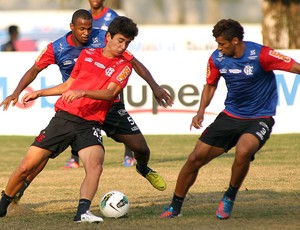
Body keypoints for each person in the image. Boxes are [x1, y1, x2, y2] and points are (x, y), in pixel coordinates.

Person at [0, 9, 171, 204]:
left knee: (140, 148)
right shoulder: (56, 48)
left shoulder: (106, 38)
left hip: (109, 105)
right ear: (72, 27)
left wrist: (155, 87)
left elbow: (134, 63)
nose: (86, 33)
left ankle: (143, 168)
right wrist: (16, 92)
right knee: (43, 155)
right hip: (78, 107)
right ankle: (20, 189)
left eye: (89, 29)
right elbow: (35, 70)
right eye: (82, 29)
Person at [160, 18, 300, 220]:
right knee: (194, 159)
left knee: (243, 151)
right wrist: (200, 111)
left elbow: (295, 67)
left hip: (260, 118)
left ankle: (229, 196)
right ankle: (175, 207)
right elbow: (210, 85)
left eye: (222, 44)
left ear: (235, 41)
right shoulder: (217, 58)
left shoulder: (261, 54)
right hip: (230, 116)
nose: (219, 48)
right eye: (217, 43)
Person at [87, 0, 137, 167]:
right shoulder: (85, 18)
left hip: (113, 71)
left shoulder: (111, 16)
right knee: (82, 115)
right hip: (94, 71)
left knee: (119, 109)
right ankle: (75, 157)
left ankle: (129, 153)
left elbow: (122, 47)